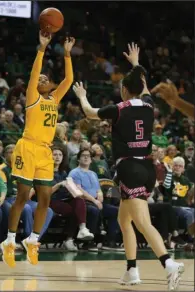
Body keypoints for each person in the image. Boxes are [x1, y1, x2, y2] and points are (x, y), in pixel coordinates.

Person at [73, 43, 184, 290]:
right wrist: (136, 63)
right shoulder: (148, 104)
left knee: (143, 223)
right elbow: (143, 84)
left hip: (129, 169)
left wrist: (82, 96)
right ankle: (132, 270)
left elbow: (90, 113)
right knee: (125, 222)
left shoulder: (118, 109)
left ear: (124, 89)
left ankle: (169, 264)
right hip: (146, 169)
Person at [1, 31, 75, 268]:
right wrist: (42, 49)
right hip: (27, 147)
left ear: (51, 85)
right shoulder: (33, 97)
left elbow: (69, 80)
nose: (42, 80)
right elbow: (34, 73)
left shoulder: (54, 99)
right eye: (40, 79)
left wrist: (66, 54)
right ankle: (10, 241)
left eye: (46, 79)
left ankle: (32, 240)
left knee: (45, 199)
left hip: (44, 151)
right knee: (23, 196)